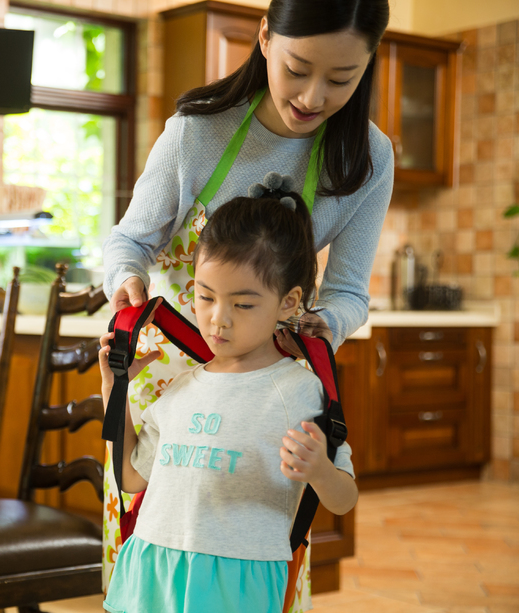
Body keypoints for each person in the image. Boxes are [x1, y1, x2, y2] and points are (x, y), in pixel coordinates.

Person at [99, 0, 392, 603]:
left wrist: (301, 331)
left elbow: (347, 294)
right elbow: (130, 240)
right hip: (171, 377)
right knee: (150, 547)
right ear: (264, 37)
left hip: (268, 377)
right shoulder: (198, 131)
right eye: (298, 68)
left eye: (341, 79)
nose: (313, 96)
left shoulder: (367, 157)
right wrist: (127, 281)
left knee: (262, 553)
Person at [99, 184, 358, 613]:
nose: (217, 319)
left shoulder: (298, 391)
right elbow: (130, 478)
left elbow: (344, 498)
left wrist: (320, 471)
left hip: (238, 586)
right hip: (151, 575)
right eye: (205, 296)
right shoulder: (180, 388)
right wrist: (114, 390)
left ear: (287, 302)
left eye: (243, 304)